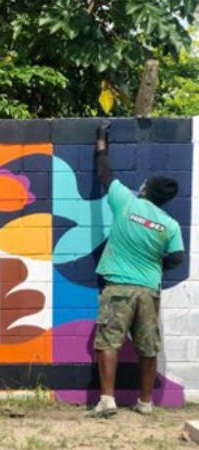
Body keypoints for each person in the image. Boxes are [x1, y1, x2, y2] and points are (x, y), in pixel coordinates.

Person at [91, 122, 185, 417]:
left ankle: (107, 399)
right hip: (148, 289)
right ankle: (145, 402)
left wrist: (102, 140)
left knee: (109, 341)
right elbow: (177, 258)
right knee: (147, 347)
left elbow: (105, 172)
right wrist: (156, 262)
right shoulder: (169, 225)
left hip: (118, 286)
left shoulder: (125, 202)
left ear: (146, 189)